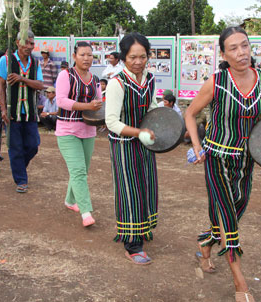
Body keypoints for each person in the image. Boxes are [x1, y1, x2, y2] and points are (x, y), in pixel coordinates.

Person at [185, 26, 261, 302]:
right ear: (223, 53)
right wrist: (197, 147)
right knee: (228, 219)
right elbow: (190, 113)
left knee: (237, 208)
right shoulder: (216, 81)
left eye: (244, 45)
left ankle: (206, 241)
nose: (241, 52)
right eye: (233, 48)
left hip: (248, 160)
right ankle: (240, 284)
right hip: (218, 157)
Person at [105, 33, 159, 265]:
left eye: (143, 56)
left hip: (145, 144)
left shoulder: (149, 79)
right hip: (124, 145)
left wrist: (165, 125)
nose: (138, 62)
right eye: (132, 57)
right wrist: (139, 132)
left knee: (146, 187)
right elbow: (112, 122)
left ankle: (142, 230)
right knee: (130, 191)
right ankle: (132, 244)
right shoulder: (117, 83)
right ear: (124, 57)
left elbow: (153, 108)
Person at [55, 41, 102, 226]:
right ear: (74, 56)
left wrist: (98, 106)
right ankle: (86, 212)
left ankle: (69, 200)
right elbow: (61, 101)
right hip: (67, 130)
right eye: (82, 54)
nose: (86, 58)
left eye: (90, 54)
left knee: (81, 170)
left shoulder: (95, 79)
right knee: (79, 171)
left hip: (88, 130)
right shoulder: (65, 75)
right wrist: (87, 106)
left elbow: (98, 102)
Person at [0, 29, 44, 193]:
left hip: (30, 112)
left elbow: (40, 85)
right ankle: (21, 180)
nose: (29, 46)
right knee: (15, 147)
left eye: (31, 43)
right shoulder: (6, 61)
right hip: (12, 112)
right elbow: (1, 86)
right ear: (17, 43)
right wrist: (3, 109)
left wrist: (22, 78)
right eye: (25, 42)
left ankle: (18, 167)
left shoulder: (36, 63)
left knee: (33, 146)